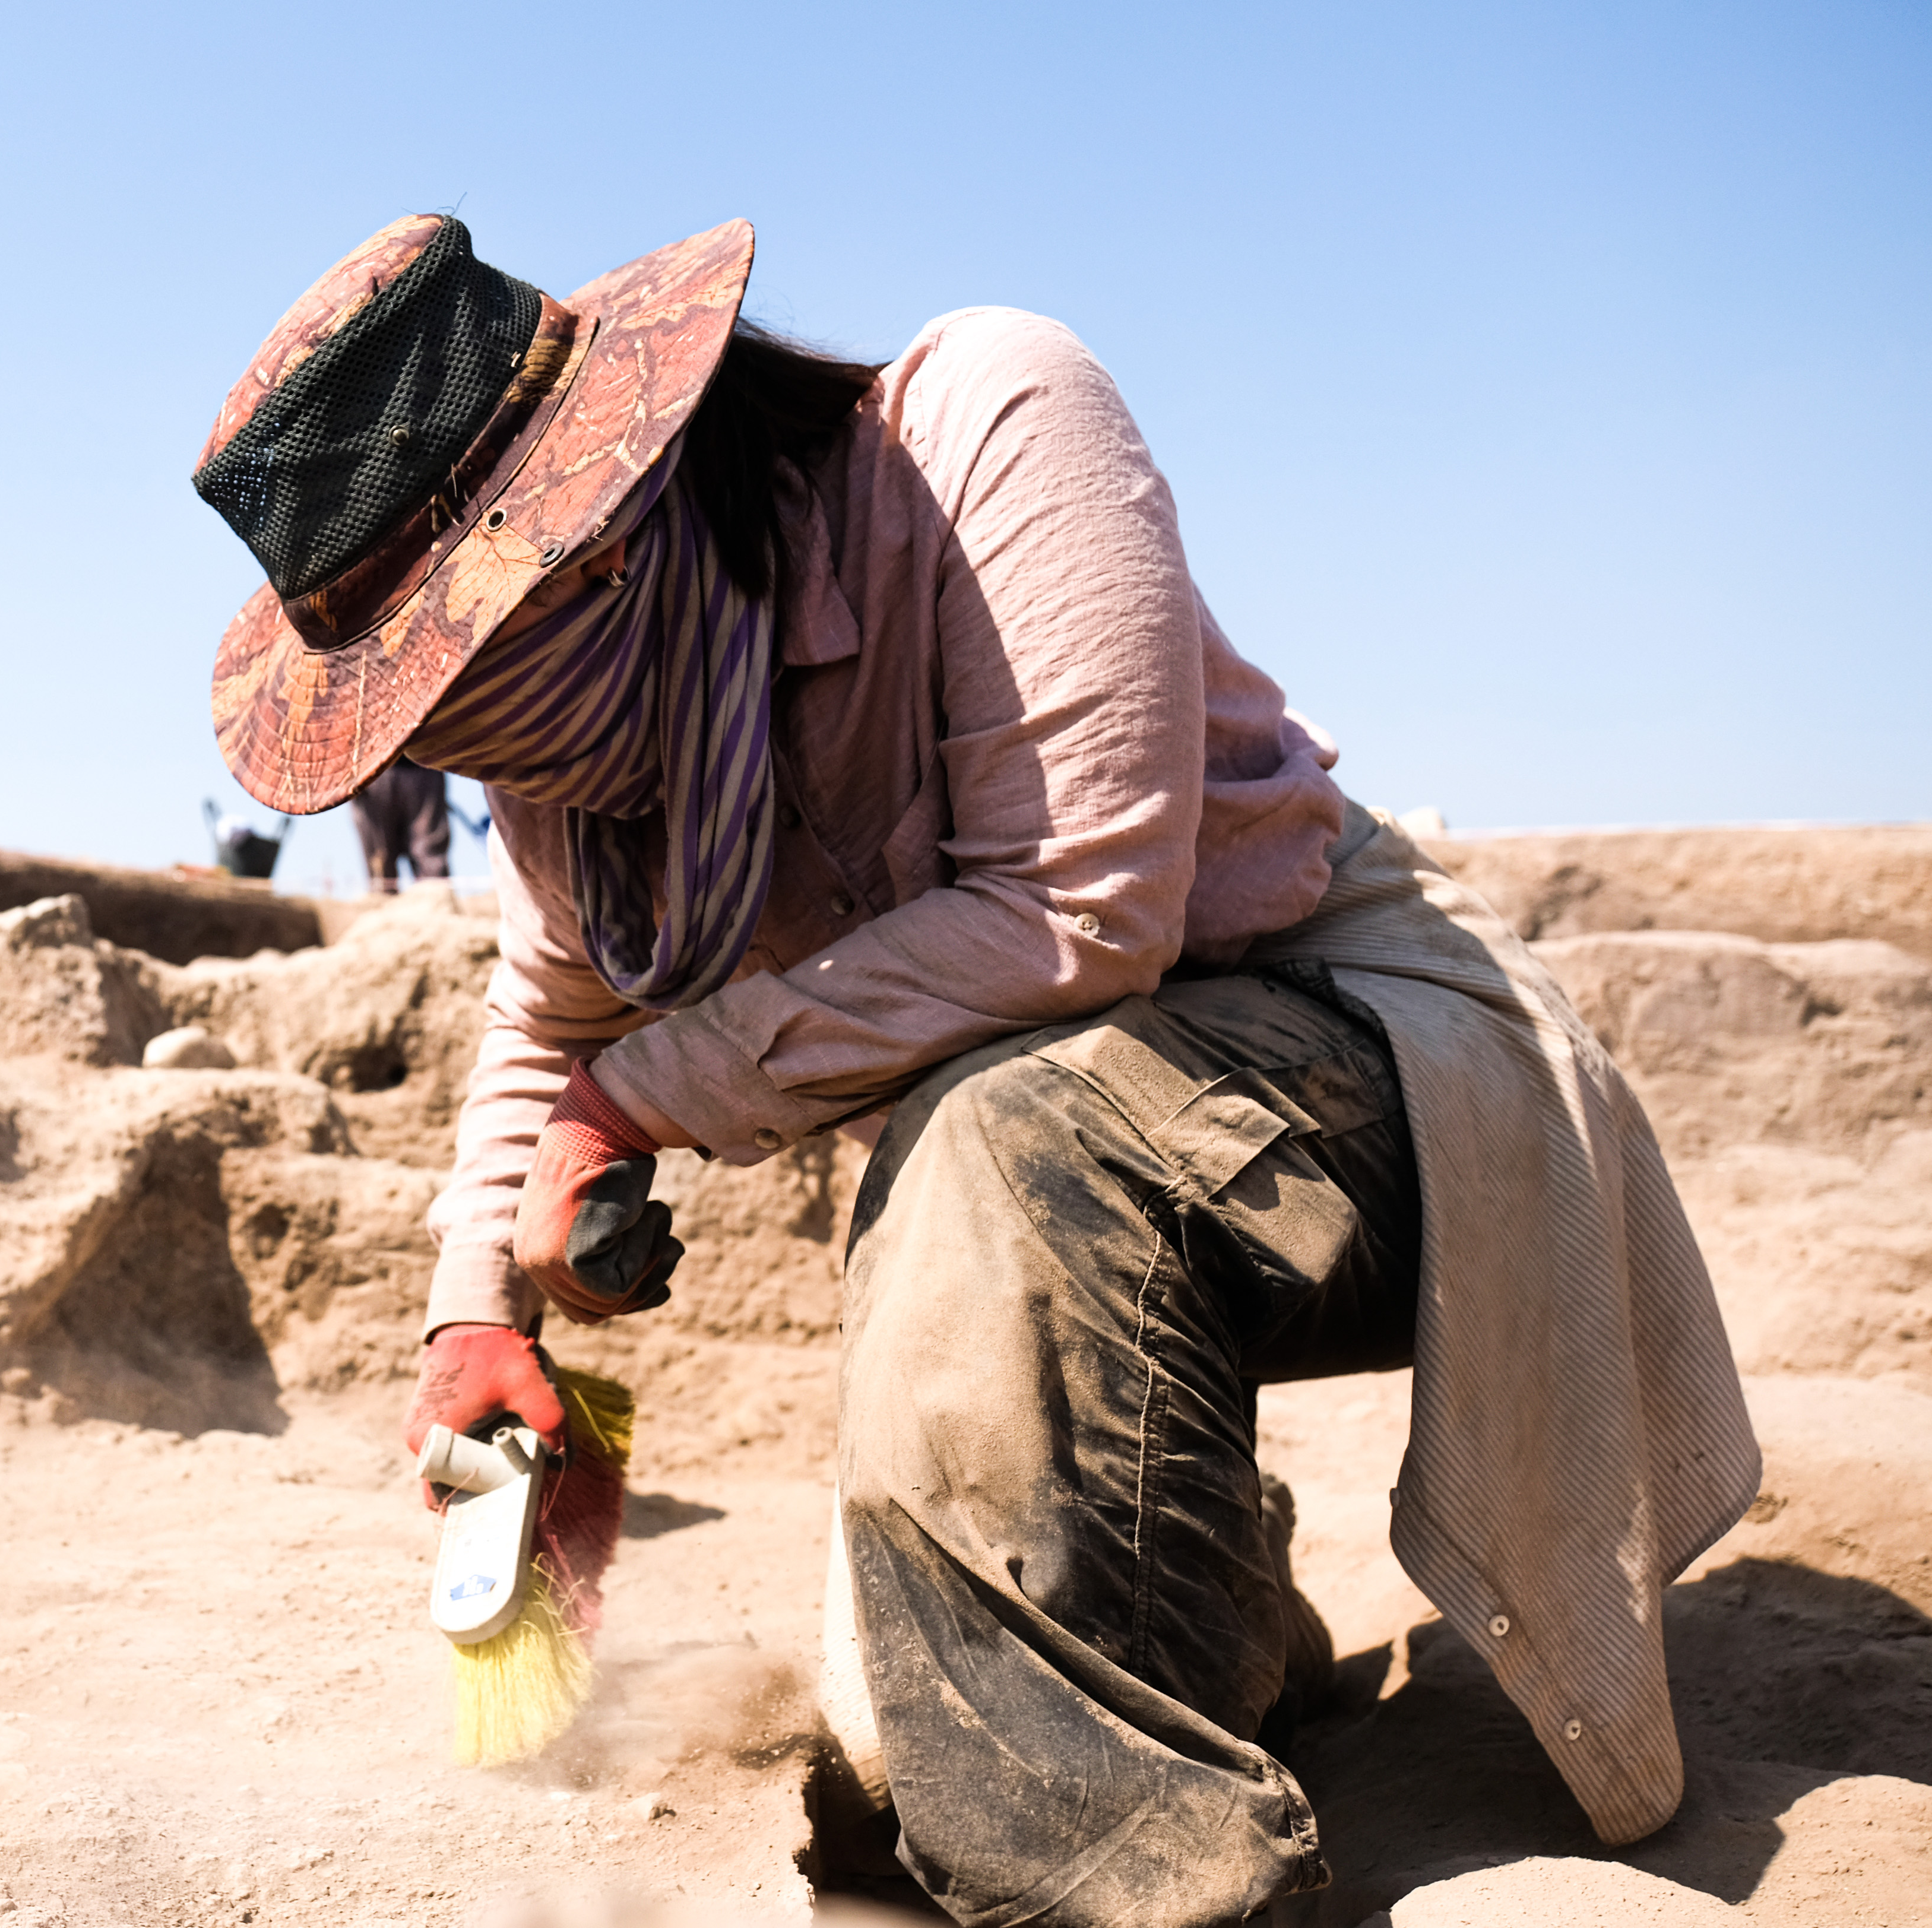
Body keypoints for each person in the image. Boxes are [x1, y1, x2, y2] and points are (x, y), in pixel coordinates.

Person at [189, 215, 1757, 1926]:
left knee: (987, 1139)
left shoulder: (987, 424)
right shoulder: (587, 779)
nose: (481, 746)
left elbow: (1081, 914)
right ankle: (1204, 1628)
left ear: (601, 536)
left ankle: (1149, 1894)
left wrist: (638, 1103)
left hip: (1388, 1086)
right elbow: (544, 1025)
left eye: (478, 674)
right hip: (1076, 1195)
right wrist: (478, 1307)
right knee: (996, 1175)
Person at [349, 756, 453, 892]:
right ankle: (384, 906)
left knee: (432, 872)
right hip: (368, 768)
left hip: (423, 762)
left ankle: (437, 904)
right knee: (380, 868)